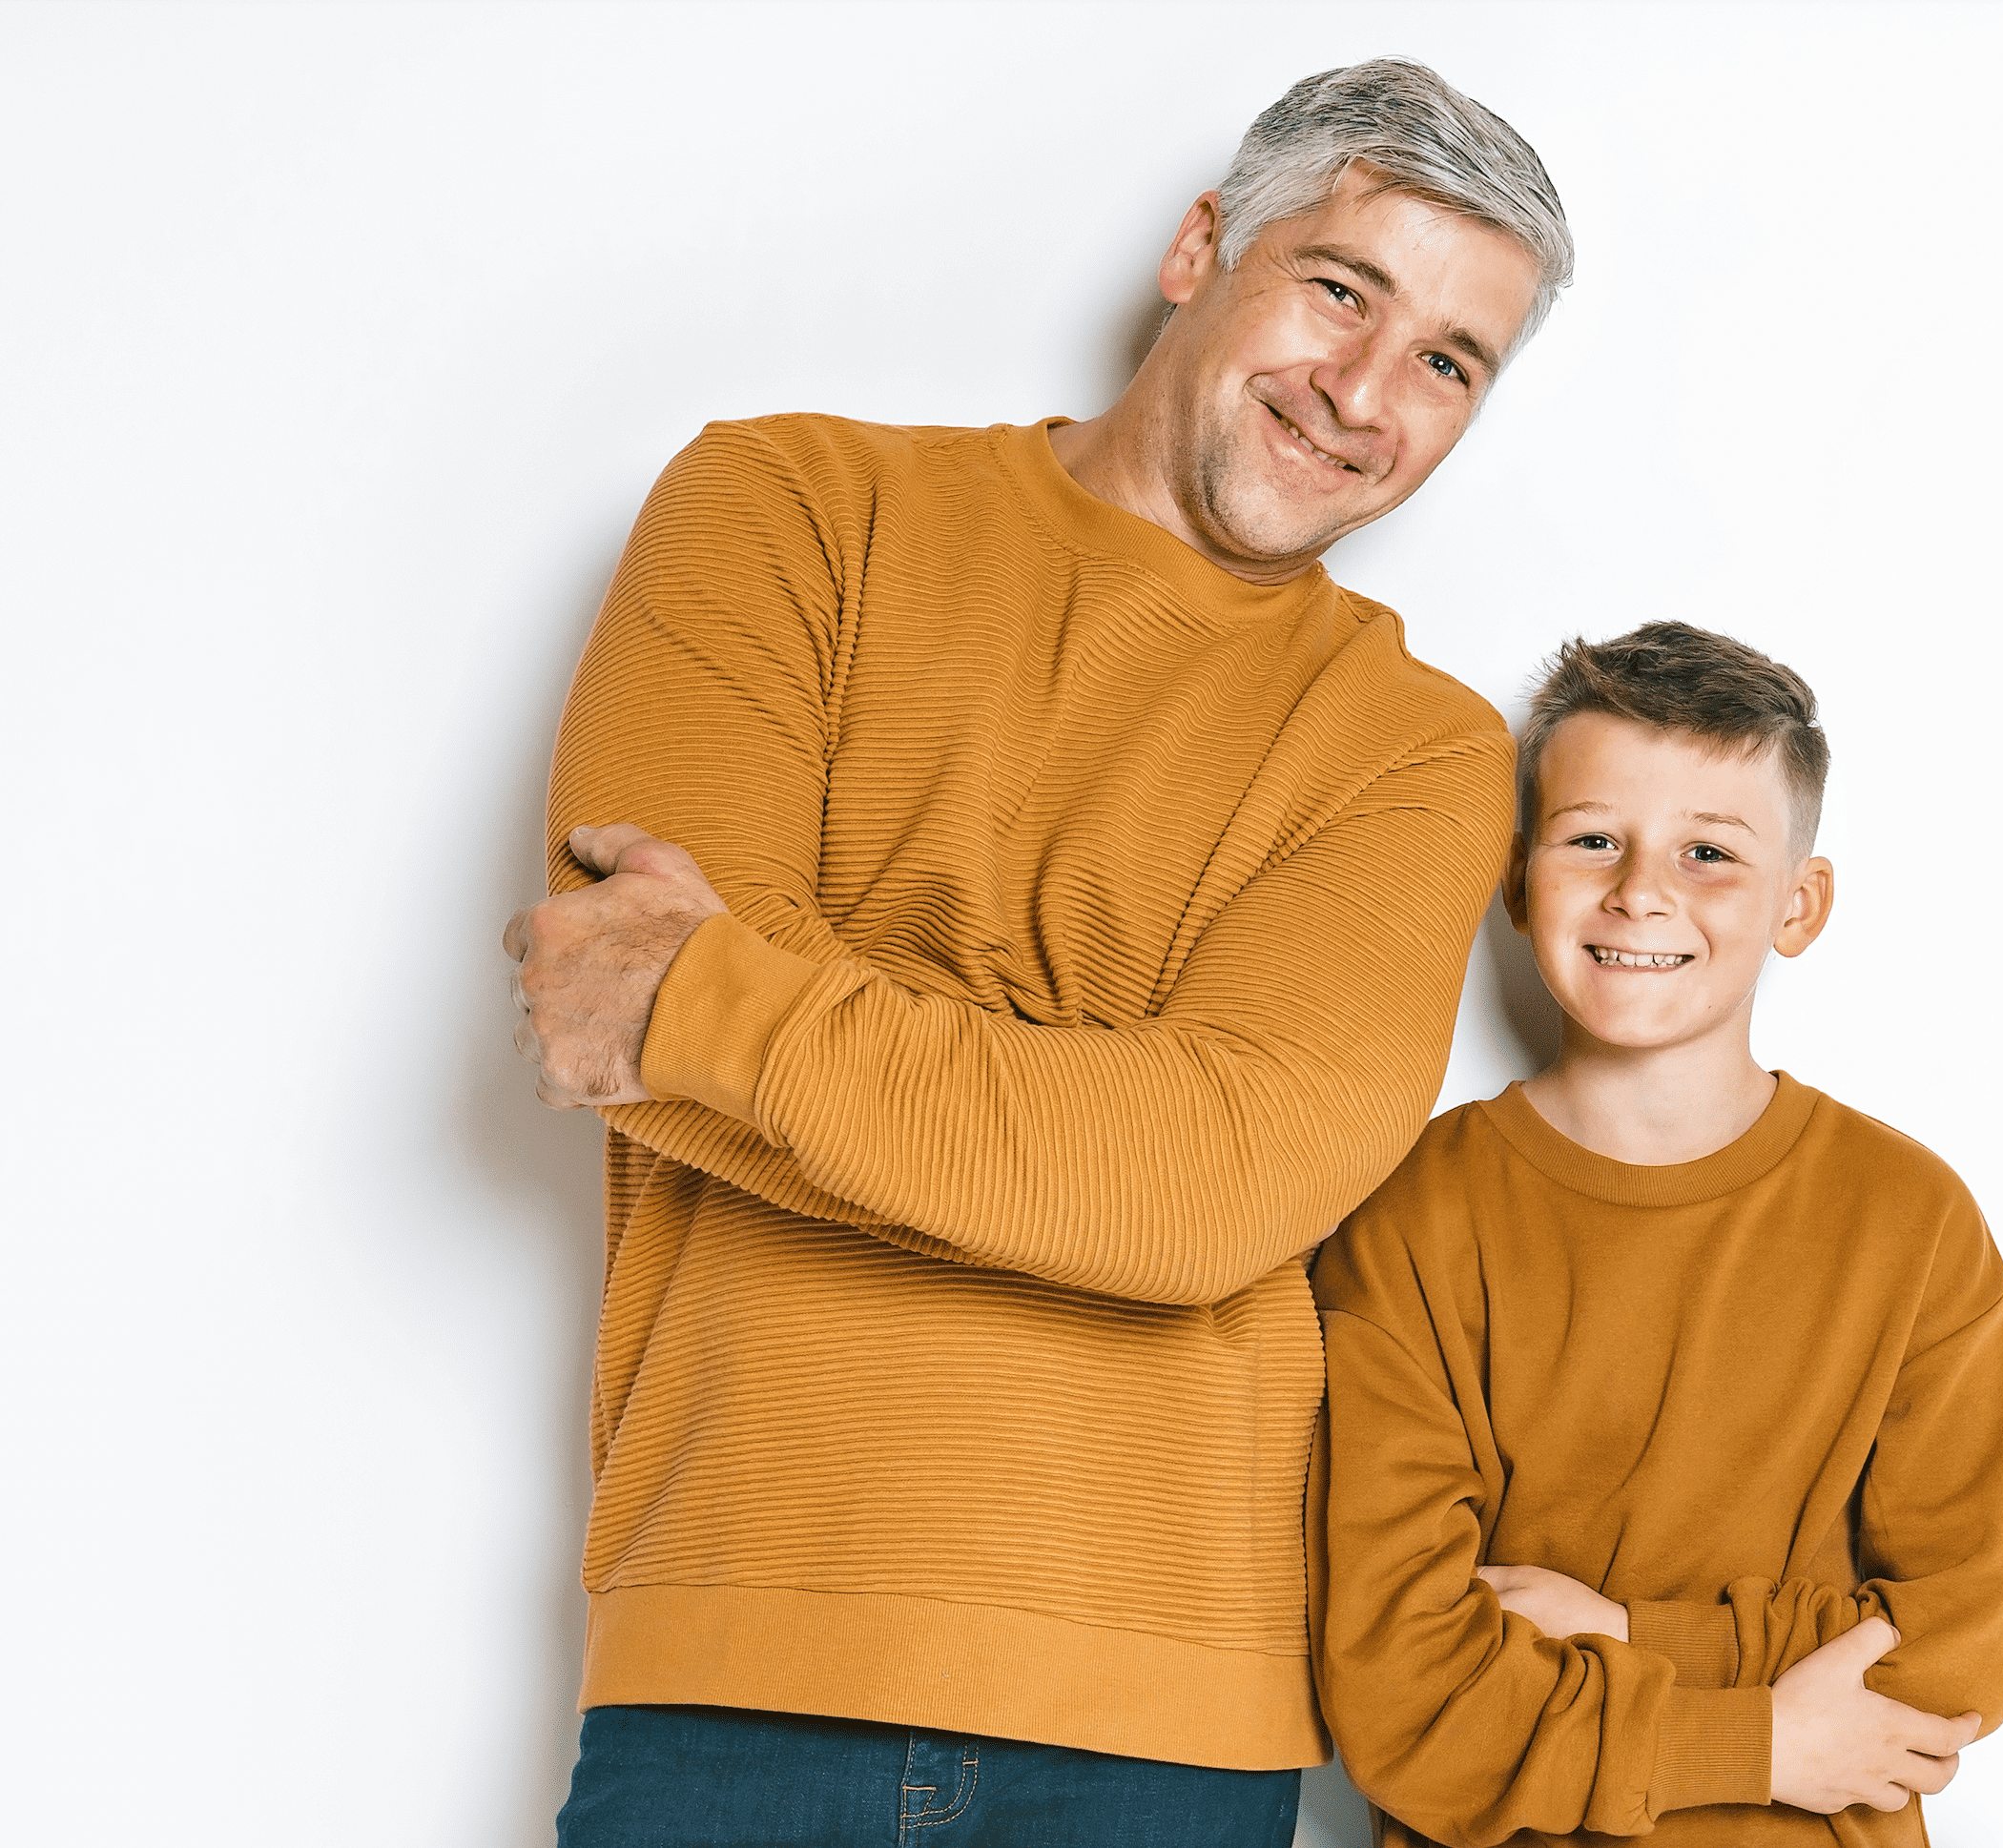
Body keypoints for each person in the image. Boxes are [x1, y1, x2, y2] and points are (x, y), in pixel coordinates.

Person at [501, 59, 1574, 1848]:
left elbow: (1215, 1187)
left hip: (1169, 1719)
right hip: (742, 1650)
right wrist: (1081, 1108)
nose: (1362, 393)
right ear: (1199, 245)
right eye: (1339, 290)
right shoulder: (784, 514)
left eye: (1448, 363)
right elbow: (610, 1020)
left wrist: (734, 995)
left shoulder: (1422, 749)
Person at [1310, 622, 2003, 1846]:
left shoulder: (1911, 1224)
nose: (1642, 890)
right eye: (1594, 839)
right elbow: (1403, 1703)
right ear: (1515, 876)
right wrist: (1764, 1735)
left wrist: (1631, 1637)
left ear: (1799, 907)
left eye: (1709, 852)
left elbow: (1956, 1656)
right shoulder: (1408, 1220)